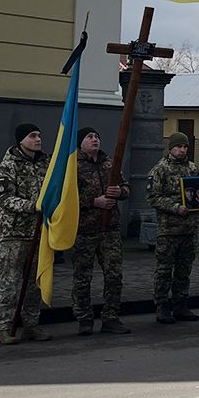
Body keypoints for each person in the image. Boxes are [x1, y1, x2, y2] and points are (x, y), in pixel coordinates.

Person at [0, 123, 52, 345]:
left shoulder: (46, 164)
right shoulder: (7, 167)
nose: (38, 139)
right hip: (14, 233)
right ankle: (4, 327)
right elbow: (4, 199)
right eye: (32, 136)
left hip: (39, 233)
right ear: (21, 140)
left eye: (39, 135)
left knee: (34, 283)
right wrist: (33, 206)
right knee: (10, 282)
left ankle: (31, 325)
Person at [72, 127, 130, 336]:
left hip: (110, 230)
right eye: (89, 137)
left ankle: (111, 318)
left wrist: (120, 192)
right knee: (82, 277)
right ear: (80, 142)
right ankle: (84, 319)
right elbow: (66, 197)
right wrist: (93, 201)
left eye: (97, 136)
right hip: (84, 230)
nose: (94, 139)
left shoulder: (109, 164)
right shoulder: (73, 166)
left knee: (114, 276)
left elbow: (125, 187)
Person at [147, 132, 199, 323]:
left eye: (185, 147)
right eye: (178, 147)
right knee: (164, 270)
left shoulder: (193, 168)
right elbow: (153, 197)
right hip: (169, 229)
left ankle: (181, 304)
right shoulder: (160, 169)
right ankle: (162, 305)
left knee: (184, 270)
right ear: (171, 148)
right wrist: (174, 207)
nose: (182, 150)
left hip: (189, 229)